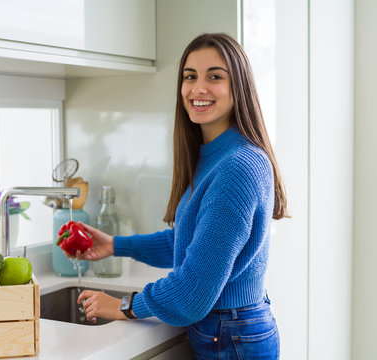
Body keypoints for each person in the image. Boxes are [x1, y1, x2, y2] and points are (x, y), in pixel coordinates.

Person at [68, 32, 288, 359]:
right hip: (227, 332)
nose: (198, 88)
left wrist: (123, 305)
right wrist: (116, 245)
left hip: (231, 337)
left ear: (238, 86)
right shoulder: (214, 155)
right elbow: (188, 244)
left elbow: (191, 293)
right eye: (190, 77)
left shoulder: (237, 166)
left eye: (215, 76)